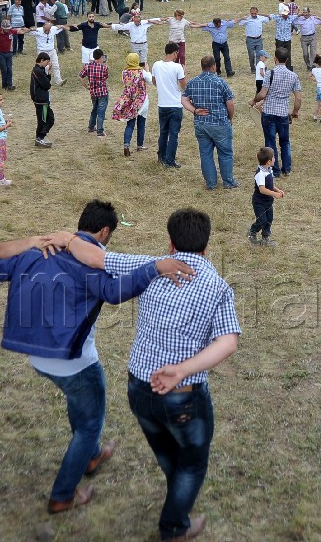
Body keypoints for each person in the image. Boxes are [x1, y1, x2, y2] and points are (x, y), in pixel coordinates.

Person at [0, 200, 192, 515]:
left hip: (36, 357)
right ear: (104, 232)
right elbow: (117, 292)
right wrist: (155, 268)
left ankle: (91, 456)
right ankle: (63, 494)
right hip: (74, 362)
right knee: (90, 422)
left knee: (81, 408)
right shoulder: (89, 266)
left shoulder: (36, 252)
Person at [98, 209, 241, 541]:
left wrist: (66, 239)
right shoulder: (217, 287)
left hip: (139, 386)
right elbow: (228, 342)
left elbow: (103, 258)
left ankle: (178, 497)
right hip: (182, 396)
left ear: (171, 242)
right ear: (206, 245)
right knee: (192, 463)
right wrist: (182, 370)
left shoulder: (153, 267)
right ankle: (175, 527)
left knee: (167, 452)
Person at [183, 55, 237, 190]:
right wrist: (230, 118)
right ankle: (228, 182)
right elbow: (230, 103)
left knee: (206, 154)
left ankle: (211, 183)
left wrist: (194, 110)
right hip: (220, 124)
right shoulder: (220, 82)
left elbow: (183, 100)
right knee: (225, 153)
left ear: (202, 67)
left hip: (201, 124)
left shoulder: (192, 82)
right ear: (214, 66)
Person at [251, 46, 302, 178]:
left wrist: (254, 100)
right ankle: (287, 168)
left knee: (270, 142)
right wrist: (295, 111)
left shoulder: (270, 74)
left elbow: (262, 94)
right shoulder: (293, 76)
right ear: (287, 59)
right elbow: (298, 98)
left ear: (275, 59)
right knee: (285, 141)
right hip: (283, 113)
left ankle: (275, 170)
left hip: (269, 112)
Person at [152, 43, 187, 169]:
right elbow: (184, 86)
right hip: (175, 105)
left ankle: (161, 157)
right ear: (174, 53)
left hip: (162, 104)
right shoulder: (177, 67)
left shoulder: (156, 65)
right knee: (173, 134)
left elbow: (154, 82)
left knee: (163, 132)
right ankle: (170, 160)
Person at [111, 53, 149, 157]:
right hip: (142, 101)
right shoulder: (142, 72)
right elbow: (150, 80)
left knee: (130, 124)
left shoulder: (124, 72)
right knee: (141, 123)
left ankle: (126, 145)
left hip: (129, 100)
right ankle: (140, 145)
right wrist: (147, 69)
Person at [248, 147, 284, 246]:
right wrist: (275, 194)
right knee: (261, 220)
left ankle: (265, 237)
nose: (275, 159)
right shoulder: (260, 174)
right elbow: (262, 189)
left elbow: (270, 185)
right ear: (269, 161)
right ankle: (252, 232)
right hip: (259, 202)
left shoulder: (269, 170)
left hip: (268, 201)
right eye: (274, 158)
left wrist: (277, 190)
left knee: (269, 219)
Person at [79, 49, 111, 138]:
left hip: (93, 92)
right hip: (102, 92)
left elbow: (80, 76)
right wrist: (106, 66)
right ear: (101, 57)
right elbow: (106, 77)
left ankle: (91, 126)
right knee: (101, 111)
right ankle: (100, 131)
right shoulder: (103, 68)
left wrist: (86, 86)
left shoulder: (88, 66)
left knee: (95, 109)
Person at [30, 53, 56, 148]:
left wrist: (47, 72)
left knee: (45, 119)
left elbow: (46, 83)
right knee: (46, 119)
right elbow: (47, 85)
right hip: (41, 101)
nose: (48, 64)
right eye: (47, 62)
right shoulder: (37, 71)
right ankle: (40, 137)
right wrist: (48, 73)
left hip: (42, 100)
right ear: (41, 60)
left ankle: (40, 137)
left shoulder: (39, 70)